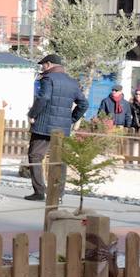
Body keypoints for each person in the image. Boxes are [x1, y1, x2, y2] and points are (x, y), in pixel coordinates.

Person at [26, 53, 88, 201]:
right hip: (62, 128)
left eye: (43, 65)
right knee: (59, 160)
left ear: (48, 64)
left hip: (42, 126)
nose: (42, 67)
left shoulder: (48, 79)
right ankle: (58, 194)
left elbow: (44, 97)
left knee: (35, 156)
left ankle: (39, 191)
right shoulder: (72, 82)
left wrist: (32, 114)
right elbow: (84, 104)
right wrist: (71, 119)